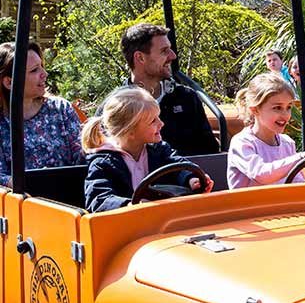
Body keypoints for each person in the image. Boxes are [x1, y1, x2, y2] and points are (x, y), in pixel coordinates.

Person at [83, 86, 214, 212]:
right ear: (130, 131)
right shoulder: (103, 163)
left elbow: (178, 166)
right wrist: (129, 206)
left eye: (159, 117)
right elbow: (98, 199)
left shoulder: (159, 150)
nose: (161, 124)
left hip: (164, 220)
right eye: (153, 121)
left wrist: (191, 178)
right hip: (125, 227)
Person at [120, 23, 219, 157]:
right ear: (140, 58)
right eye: (164, 51)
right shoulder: (116, 107)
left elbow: (211, 156)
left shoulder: (187, 98)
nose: (173, 56)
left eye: (170, 49)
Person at [0, 41, 83, 187]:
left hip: (72, 197)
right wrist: (37, 183)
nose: (44, 74)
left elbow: (83, 155)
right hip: (22, 205)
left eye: (42, 67)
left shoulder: (60, 109)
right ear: (9, 82)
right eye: (34, 70)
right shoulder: (2, 124)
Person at [227, 72, 305, 189]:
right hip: (250, 206)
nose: (285, 115)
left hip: (284, 205)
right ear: (255, 110)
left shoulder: (287, 143)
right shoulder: (242, 143)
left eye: (288, 107)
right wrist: (301, 156)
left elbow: (298, 184)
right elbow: (261, 174)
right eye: (277, 108)